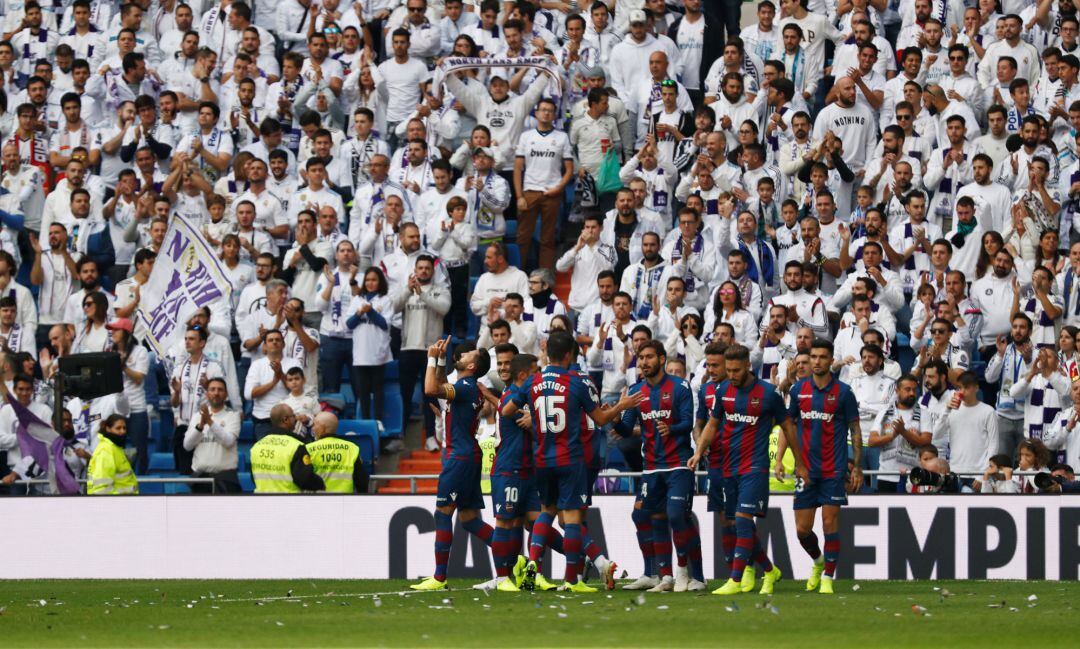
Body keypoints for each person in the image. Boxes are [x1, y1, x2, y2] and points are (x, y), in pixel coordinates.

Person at [503, 331, 641, 592]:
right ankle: (571, 580)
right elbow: (600, 420)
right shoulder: (576, 382)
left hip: (542, 458)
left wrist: (532, 411)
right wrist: (621, 406)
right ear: (569, 355)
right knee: (573, 518)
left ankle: (533, 562)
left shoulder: (533, 381)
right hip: (570, 458)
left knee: (547, 511)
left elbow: (508, 410)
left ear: (547, 353)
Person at [690, 343, 797, 596]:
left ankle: (735, 580)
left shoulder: (768, 393)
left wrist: (800, 463)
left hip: (755, 467)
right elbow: (712, 425)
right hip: (729, 467)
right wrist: (697, 452)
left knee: (742, 520)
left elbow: (788, 427)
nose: (732, 375)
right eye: (729, 370)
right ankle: (770, 570)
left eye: (736, 370)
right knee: (741, 526)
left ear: (748, 366)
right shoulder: (723, 390)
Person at [613, 340, 704, 593]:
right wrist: (617, 414)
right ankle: (657, 575)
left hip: (678, 464)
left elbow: (688, 423)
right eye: (640, 357)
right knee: (643, 515)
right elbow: (624, 430)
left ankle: (685, 573)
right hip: (651, 467)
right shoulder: (636, 391)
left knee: (676, 515)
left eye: (649, 357)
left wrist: (670, 428)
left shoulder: (680, 387)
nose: (643, 362)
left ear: (662, 359)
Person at [410, 337, 496, 591]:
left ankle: (439, 577)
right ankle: (514, 558)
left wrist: (430, 359)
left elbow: (430, 390)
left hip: (459, 456)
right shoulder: (468, 386)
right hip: (468, 454)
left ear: (472, 366)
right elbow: (440, 385)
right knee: (469, 519)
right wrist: (439, 359)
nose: (464, 354)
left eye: (469, 354)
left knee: (442, 512)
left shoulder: (467, 386)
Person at [789, 338, 861, 595]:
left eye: (822, 357)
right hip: (806, 470)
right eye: (813, 357)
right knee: (802, 530)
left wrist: (858, 467)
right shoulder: (798, 390)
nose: (817, 361)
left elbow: (855, 428)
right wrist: (783, 461)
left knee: (829, 524)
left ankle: (829, 576)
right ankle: (819, 562)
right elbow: (791, 426)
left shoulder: (843, 392)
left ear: (831, 360)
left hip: (833, 468)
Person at [249, 403, 325, 493]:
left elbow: (253, 477)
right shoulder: (296, 446)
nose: (296, 418)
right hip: (287, 501)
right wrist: (321, 484)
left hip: (262, 501)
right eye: (293, 416)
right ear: (285, 420)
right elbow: (305, 479)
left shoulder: (257, 446)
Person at [182, 377, 241, 493]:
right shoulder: (197, 416)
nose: (216, 393)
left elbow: (228, 442)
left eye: (220, 390)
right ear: (207, 393)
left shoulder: (233, 415)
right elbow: (187, 446)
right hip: (200, 478)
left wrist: (209, 422)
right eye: (212, 389)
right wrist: (200, 426)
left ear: (226, 394)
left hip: (226, 478)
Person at [307, 412, 368, 493]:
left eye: (314, 425)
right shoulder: (352, 448)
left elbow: (304, 479)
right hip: (344, 502)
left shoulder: (308, 449)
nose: (313, 428)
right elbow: (362, 481)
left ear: (322, 427)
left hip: (319, 502)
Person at [87, 414, 138, 495]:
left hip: (122, 501)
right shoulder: (106, 450)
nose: (123, 431)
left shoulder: (115, 448)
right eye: (118, 428)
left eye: (124, 428)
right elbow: (102, 486)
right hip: (112, 503)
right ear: (108, 429)